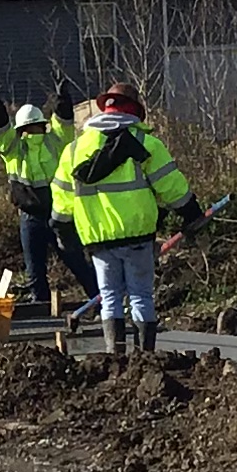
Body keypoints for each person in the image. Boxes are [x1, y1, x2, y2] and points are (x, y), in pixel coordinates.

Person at [54, 78, 202, 361]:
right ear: (134, 110)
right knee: (141, 297)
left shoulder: (73, 150)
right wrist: (190, 213)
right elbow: (170, 185)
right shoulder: (146, 143)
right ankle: (145, 357)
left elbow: (61, 199)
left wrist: (63, 231)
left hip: (98, 239)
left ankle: (115, 356)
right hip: (137, 236)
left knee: (109, 297)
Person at [0, 92, 68, 313]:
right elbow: (1, 134)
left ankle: (45, 304)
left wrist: (63, 101)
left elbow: (63, 124)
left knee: (53, 264)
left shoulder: (47, 143)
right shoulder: (16, 148)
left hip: (51, 214)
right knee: (43, 267)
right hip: (43, 214)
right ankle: (93, 299)